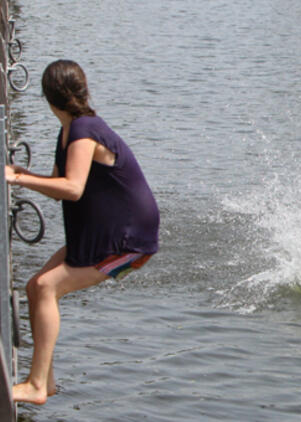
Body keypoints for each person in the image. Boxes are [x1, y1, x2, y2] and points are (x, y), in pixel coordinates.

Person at [5, 59, 160, 404]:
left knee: (46, 287)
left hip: (128, 240)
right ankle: (44, 382)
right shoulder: (71, 130)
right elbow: (58, 182)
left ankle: (33, 386)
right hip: (102, 233)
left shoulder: (83, 130)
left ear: (48, 97)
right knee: (35, 288)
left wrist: (16, 179)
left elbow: (72, 188)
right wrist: (22, 173)